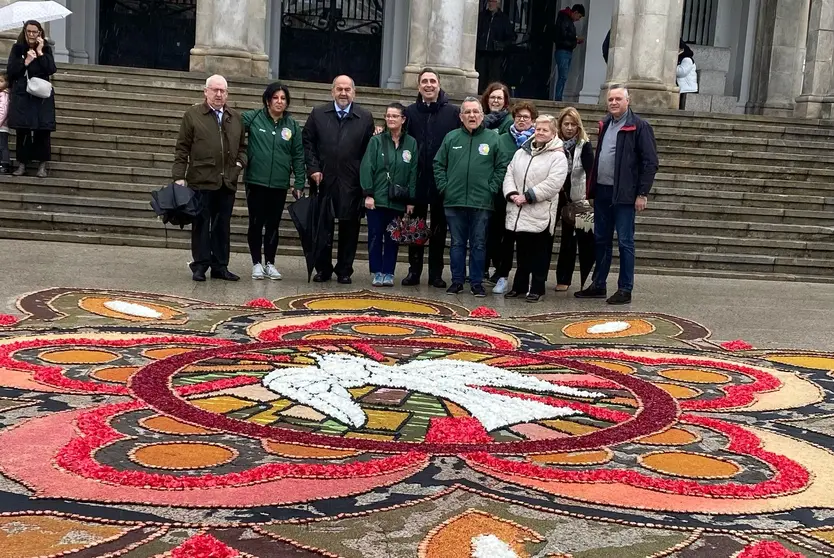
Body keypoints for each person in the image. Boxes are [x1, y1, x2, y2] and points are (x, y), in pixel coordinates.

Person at [575, 86, 658, 304]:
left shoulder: (639, 126)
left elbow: (650, 163)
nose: (613, 102)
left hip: (625, 194)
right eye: (610, 99)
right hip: (602, 191)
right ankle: (599, 284)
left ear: (627, 101)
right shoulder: (605, 124)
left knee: (625, 242)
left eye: (618, 99)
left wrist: (642, 193)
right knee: (601, 239)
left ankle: (625, 288)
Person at [302, 75, 375, 284]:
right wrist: (313, 168)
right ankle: (323, 269)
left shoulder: (365, 117)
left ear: (354, 92)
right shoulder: (317, 114)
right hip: (323, 180)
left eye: (347, 89)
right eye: (339, 89)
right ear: (332, 91)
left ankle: (344, 270)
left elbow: (368, 152)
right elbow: (307, 143)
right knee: (322, 228)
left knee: (349, 230)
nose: (343, 93)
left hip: (351, 182)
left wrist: (364, 180)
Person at [173, 75, 246, 282]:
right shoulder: (192, 115)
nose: (219, 94)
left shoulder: (235, 118)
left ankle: (220, 266)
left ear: (227, 93)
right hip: (201, 179)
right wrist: (179, 176)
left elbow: (243, 148)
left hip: (227, 181)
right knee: (201, 224)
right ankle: (200, 265)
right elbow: (182, 148)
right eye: (215, 90)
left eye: (222, 91)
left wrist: (239, 165)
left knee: (223, 225)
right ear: (206, 92)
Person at [434, 97, 509, 297]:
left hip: (481, 202)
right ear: (461, 116)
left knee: (478, 244)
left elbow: (502, 166)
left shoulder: (494, 139)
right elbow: (438, 164)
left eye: (475, 112)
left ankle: (476, 282)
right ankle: (457, 281)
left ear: (482, 115)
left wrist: (491, 188)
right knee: (457, 243)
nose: (471, 115)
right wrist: (445, 187)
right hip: (454, 200)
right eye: (467, 112)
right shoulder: (451, 138)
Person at [402, 68, 460, 288]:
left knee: (439, 230)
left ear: (439, 84)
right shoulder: (409, 112)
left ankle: (436, 273)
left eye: (432, 81)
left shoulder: (452, 113)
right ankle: (414, 271)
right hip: (416, 180)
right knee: (414, 227)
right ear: (418, 86)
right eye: (424, 81)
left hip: (441, 181)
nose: (428, 85)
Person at [242, 82, 305, 281]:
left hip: (279, 184)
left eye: (283, 98)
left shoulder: (292, 125)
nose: (279, 101)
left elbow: (298, 156)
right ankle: (256, 263)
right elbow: (228, 121)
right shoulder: (253, 118)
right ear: (268, 100)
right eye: (275, 98)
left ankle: (270, 263)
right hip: (256, 182)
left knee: (273, 225)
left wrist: (299, 183)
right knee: (255, 223)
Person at [502, 115, 567, 302]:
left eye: (545, 130)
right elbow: (510, 173)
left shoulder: (558, 156)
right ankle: (520, 286)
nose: (540, 132)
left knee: (539, 254)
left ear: (553, 133)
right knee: (522, 253)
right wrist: (512, 193)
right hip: (519, 210)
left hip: (540, 212)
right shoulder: (522, 151)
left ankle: (537, 288)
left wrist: (528, 196)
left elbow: (553, 184)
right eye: (538, 129)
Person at [361, 103, 418, 287]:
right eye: (388, 116)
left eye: (395, 116)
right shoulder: (376, 141)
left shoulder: (411, 143)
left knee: (393, 237)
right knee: (375, 236)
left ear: (403, 119)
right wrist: (368, 194)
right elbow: (367, 167)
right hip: (377, 199)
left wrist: (410, 199)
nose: (391, 119)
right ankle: (377, 271)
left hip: (397, 200)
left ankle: (389, 271)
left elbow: (413, 172)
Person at [492, 101, 538, 295]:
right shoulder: (501, 139)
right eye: (518, 116)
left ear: (533, 120)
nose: (521, 120)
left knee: (525, 244)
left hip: (528, 200)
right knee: (503, 241)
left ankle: (522, 281)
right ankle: (501, 276)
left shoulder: (538, 140)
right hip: (503, 197)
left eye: (526, 117)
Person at [6, 20, 56, 178]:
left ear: (40, 33)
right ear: (25, 31)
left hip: (41, 95)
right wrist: (25, 61)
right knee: (23, 130)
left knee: (43, 130)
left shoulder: (46, 48)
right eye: (29, 31)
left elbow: (51, 69)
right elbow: (11, 71)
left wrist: (40, 53)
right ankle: (22, 163)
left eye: (35, 32)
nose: (32, 35)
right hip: (23, 94)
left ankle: (42, 165)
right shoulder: (18, 47)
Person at [554, 106, 595, 292]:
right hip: (556, 196)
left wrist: (590, 197)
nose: (569, 128)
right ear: (560, 125)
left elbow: (591, 171)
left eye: (573, 124)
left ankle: (586, 281)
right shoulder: (553, 144)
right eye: (566, 124)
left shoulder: (584, 145)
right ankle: (561, 278)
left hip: (579, 199)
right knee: (560, 241)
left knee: (583, 240)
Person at [481, 81, 513, 283]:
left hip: (500, 187)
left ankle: (499, 270)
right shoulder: (478, 117)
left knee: (496, 232)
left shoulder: (509, 123)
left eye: (499, 97)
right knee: (480, 231)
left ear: (505, 101)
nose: (495, 100)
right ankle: (481, 268)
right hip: (479, 183)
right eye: (492, 96)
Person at [476, 0, 516, 92]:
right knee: (481, 76)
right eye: (489, 1)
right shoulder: (482, 16)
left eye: (493, 1)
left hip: (496, 54)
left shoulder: (503, 19)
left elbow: (511, 37)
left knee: (494, 78)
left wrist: (501, 45)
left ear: (498, 3)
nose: (490, 4)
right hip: (482, 52)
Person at [550, 4, 585, 101]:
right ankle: (558, 98)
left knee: (563, 76)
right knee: (563, 76)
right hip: (563, 51)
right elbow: (564, 36)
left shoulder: (566, 19)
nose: (578, 19)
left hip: (565, 50)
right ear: (575, 12)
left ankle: (558, 97)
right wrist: (575, 40)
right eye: (579, 16)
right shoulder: (565, 20)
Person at [677, 41, 697, 109]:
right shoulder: (680, 59)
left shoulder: (687, 59)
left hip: (687, 90)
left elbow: (682, 72)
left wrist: (671, 66)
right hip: (682, 89)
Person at [0, 72, 10, 174]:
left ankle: (5, 163)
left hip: (2, 126)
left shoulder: (4, 95)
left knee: (2, 146)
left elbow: (3, 111)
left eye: (1, 81)